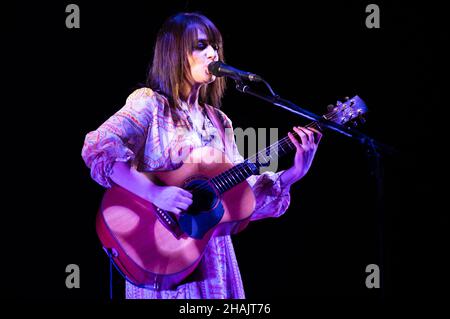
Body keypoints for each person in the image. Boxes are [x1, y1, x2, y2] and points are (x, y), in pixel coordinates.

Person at [81, 12, 322, 299]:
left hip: (213, 260)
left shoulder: (219, 121)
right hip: (165, 256)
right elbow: (98, 147)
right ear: (174, 52)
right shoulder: (151, 105)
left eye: (215, 46)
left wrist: (294, 173)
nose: (212, 53)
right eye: (201, 45)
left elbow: (240, 202)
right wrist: (156, 194)